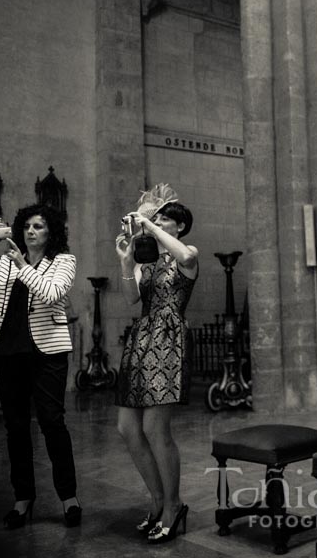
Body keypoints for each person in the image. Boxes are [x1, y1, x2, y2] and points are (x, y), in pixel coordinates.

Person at [0, 204, 82, 529]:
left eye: (39, 226)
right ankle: (23, 498)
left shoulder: (63, 261)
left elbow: (52, 293)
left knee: (52, 422)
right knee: (15, 427)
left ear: (51, 232)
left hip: (47, 354)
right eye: (27, 226)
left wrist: (22, 265)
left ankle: (68, 496)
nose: (31, 231)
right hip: (8, 352)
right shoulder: (3, 263)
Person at [115, 183, 198, 544]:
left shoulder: (188, 252)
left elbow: (186, 259)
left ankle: (173, 505)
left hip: (168, 340)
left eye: (166, 219)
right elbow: (133, 298)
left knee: (155, 429)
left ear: (179, 226)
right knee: (127, 428)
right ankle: (158, 499)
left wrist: (149, 225)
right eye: (157, 218)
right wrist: (126, 261)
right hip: (141, 339)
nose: (159, 223)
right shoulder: (148, 259)